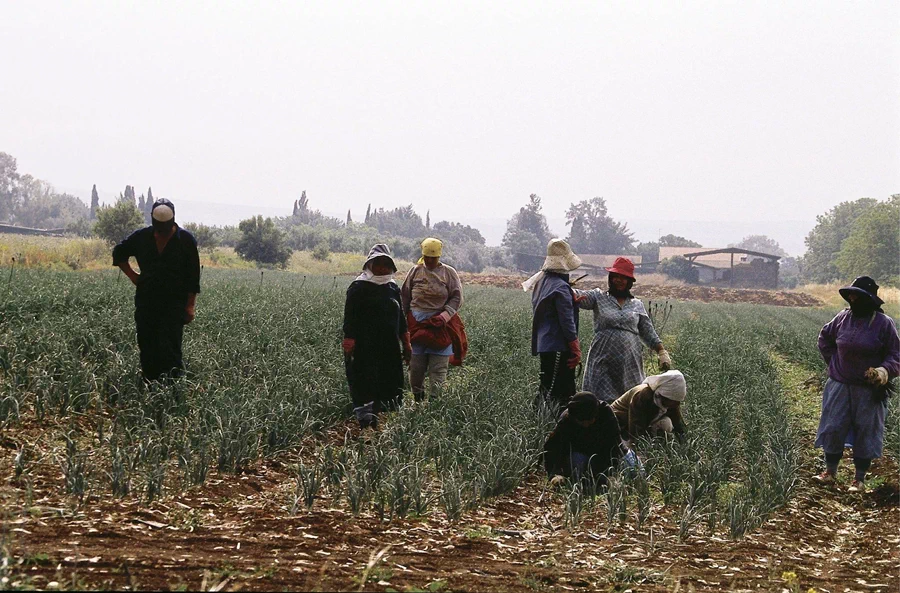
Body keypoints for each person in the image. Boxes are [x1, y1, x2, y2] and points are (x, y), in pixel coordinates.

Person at [814, 276, 899, 492]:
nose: (852, 298)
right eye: (851, 295)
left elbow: (896, 355)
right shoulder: (842, 318)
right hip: (839, 384)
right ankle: (830, 472)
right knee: (833, 426)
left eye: (857, 295)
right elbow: (825, 338)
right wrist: (834, 363)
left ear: (868, 299)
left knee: (866, 430)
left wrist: (883, 371)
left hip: (868, 390)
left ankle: (859, 480)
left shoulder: (883, 324)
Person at [112, 199, 201, 382]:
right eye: (159, 227)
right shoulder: (141, 237)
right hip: (147, 301)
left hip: (174, 303)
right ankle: (150, 386)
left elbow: (193, 275)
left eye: (165, 227)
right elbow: (119, 252)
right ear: (153, 221)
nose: (162, 231)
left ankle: (172, 390)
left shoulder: (185, 240)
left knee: (170, 347)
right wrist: (133, 276)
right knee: (147, 344)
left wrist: (190, 305)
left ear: (173, 221)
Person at [573, 257, 671, 402]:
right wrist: (561, 285)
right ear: (611, 278)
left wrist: (661, 352)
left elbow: (647, 331)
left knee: (630, 400)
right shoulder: (598, 297)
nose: (619, 280)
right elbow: (575, 296)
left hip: (629, 362)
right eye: (616, 276)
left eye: (623, 277)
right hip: (603, 357)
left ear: (629, 282)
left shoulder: (636, 304)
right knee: (599, 400)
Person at [342, 244, 411, 429]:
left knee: (386, 381)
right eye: (377, 263)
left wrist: (406, 342)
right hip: (364, 346)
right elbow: (350, 318)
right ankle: (365, 421)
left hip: (388, 346)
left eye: (385, 264)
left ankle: (376, 418)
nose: (381, 268)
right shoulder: (358, 288)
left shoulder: (392, 288)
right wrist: (349, 341)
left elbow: (401, 318)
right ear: (369, 265)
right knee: (365, 380)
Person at [401, 238, 467, 401]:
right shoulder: (415, 271)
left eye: (433, 258)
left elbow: (456, 297)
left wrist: (444, 316)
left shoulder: (448, 273)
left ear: (439, 256)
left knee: (438, 369)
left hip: (440, 326)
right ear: (423, 255)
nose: (430, 261)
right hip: (417, 324)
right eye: (427, 258)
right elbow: (405, 296)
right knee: (415, 368)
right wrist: (403, 320)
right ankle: (418, 399)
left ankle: (434, 402)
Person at [523, 239, 583, 410]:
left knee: (546, 386)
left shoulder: (542, 281)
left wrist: (572, 302)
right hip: (560, 346)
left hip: (545, 344)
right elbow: (567, 323)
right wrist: (576, 348)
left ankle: (540, 420)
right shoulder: (561, 288)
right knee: (563, 393)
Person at [544, 391, 623, 486]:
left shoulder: (606, 413)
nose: (587, 424)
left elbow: (615, 444)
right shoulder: (566, 419)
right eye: (583, 422)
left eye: (591, 420)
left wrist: (611, 472)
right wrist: (555, 474)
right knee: (578, 462)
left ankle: (601, 478)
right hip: (579, 454)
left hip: (602, 453)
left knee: (632, 468)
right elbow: (553, 448)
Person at [611, 370, 687, 444]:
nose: (676, 404)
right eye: (673, 401)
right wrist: (640, 446)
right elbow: (636, 425)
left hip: (641, 420)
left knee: (666, 423)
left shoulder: (671, 402)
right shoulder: (643, 396)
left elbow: (677, 421)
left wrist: (684, 439)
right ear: (664, 396)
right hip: (620, 421)